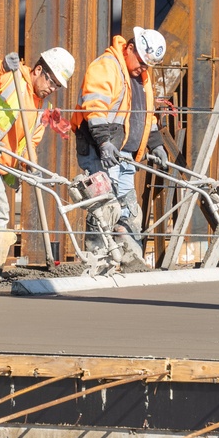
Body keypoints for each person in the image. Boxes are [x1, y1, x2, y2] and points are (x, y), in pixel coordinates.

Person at [0, 47, 76, 274]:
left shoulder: (41, 106)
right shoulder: (8, 78)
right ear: (38, 70)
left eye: (57, 86)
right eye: (51, 82)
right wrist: (1, 66)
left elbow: (30, 143)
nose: (52, 89)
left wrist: (28, 165)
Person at [70, 26, 169, 263]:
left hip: (125, 155)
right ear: (130, 48)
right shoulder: (107, 66)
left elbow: (146, 115)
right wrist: (104, 141)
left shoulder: (141, 76)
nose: (144, 68)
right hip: (100, 150)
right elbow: (95, 106)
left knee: (128, 211)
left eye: (148, 65)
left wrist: (156, 143)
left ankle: (131, 261)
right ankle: (97, 259)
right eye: (142, 62)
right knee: (104, 207)